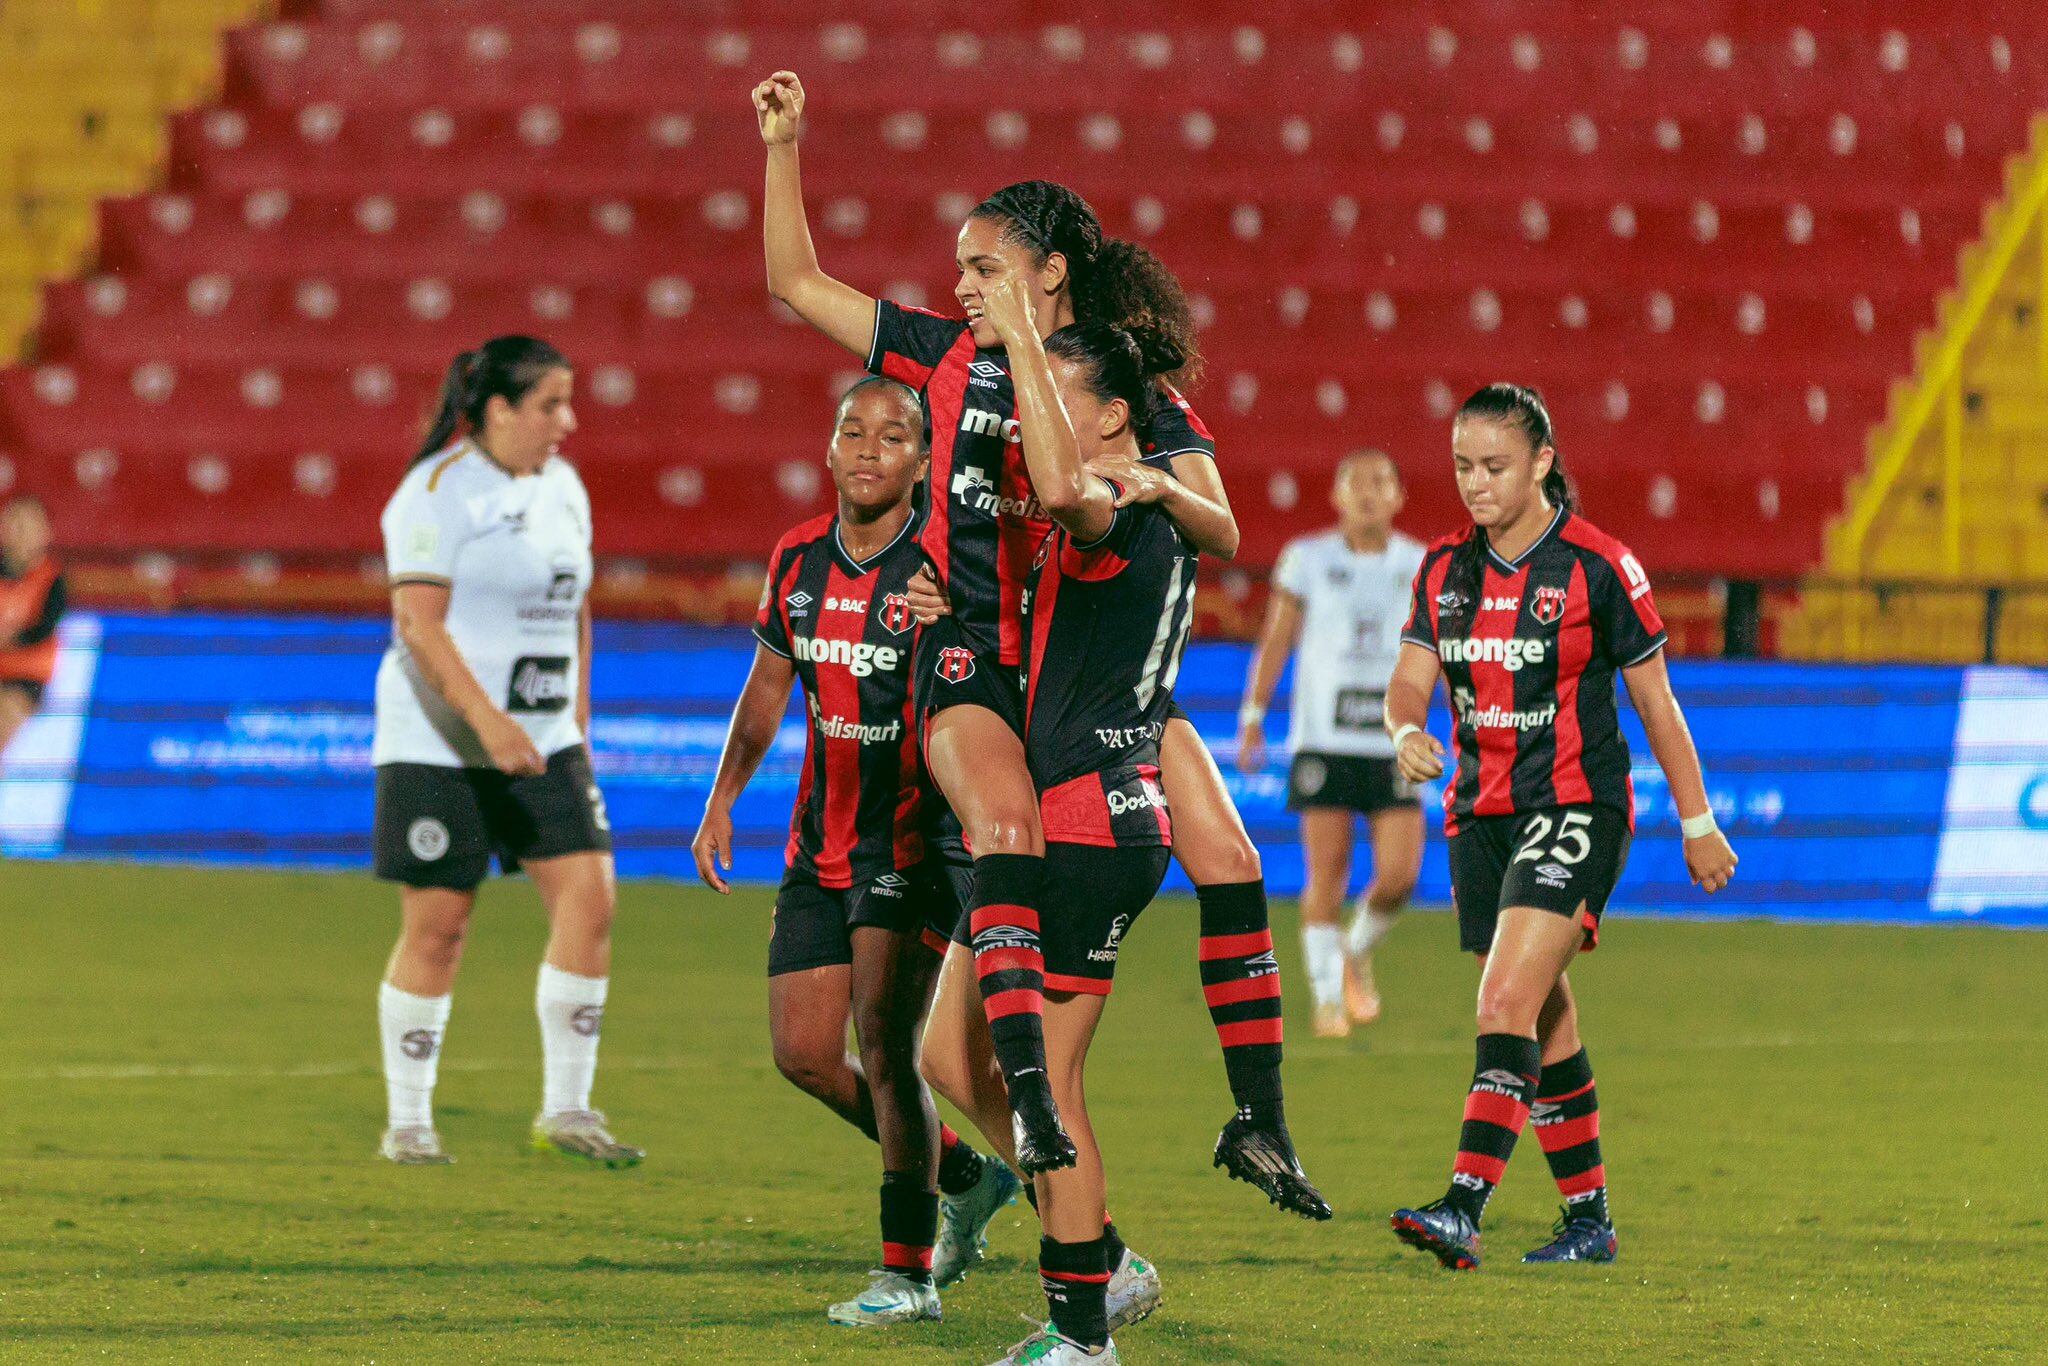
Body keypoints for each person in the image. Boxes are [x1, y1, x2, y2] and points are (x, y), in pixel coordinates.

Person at [753, 69, 1322, 1229]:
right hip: (971, 657)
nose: (958, 287)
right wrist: (784, 147)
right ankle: (1054, 1155)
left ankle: (1249, 1115)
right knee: (1007, 841)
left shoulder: (1113, 384)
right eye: (958, 268)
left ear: (1049, 269)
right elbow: (792, 281)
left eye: (982, 266)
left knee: (1226, 853)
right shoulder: (942, 356)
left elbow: (1222, 526)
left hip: (1087, 665)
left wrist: (1152, 477)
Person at [1383, 384, 1738, 1268]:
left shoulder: (1596, 566)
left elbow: (1655, 702)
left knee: (1503, 1000)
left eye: (1495, 466)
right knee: (1541, 1016)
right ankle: (1590, 1222)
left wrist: (1697, 821)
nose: (1475, 484)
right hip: (1480, 817)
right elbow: (1408, 677)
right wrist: (1405, 732)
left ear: (1543, 462)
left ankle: (1464, 1205)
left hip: (1576, 806)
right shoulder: (1441, 569)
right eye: (1462, 465)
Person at [690, 377, 1016, 1327]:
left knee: (882, 1041)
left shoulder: (942, 566)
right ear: (829, 450)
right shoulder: (796, 558)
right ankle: (964, 1175)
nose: (869, 447)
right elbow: (764, 694)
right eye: (852, 429)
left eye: (895, 434)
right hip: (816, 846)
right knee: (801, 1052)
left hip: (911, 844)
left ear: (924, 460)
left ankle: (906, 1274)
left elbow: (994, 685)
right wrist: (722, 800)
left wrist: (951, 624)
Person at [946, 311, 1186, 1364]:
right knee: (948, 1057)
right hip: (1067, 815)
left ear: (1114, 417)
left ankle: (1083, 1331)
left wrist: (1018, 354)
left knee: (1051, 1087)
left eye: (1057, 395)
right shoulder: (1144, 502)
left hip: (1090, 817)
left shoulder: (1113, 501)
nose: (1034, 414)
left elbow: (1057, 490)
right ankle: (1106, 1260)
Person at [370, 335, 640, 1168]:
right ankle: (409, 1123)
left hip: (542, 737)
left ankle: (568, 1110)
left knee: (590, 901)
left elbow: (576, 607)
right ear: (498, 410)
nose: (570, 420)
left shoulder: (564, 487)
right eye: (552, 404)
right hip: (438, 740)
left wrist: (576, 716)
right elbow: (419, 624)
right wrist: (488, 723)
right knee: (440, 927)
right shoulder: (437, 492)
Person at [1238, 451, 1426, 1037]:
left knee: (1400, 874)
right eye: (1356, 483)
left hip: (1394, 739)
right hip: (1323, 739)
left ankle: (1354, 950)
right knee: (1328, 874)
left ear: (1398, 496)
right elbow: (1277, 638)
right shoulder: (1307, 559)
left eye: (1381, 482)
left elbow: (1437, 651)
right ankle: (1326, 1000)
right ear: (1337, 496)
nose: (1368, 493)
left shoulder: (1420, 564)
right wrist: (1253, 713)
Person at [0, 495, 66, 766]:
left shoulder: (51, 578)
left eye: (28, 526)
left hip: (23, 676)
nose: (19, 533)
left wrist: (9, 639)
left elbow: (42, 628)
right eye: (13, 523)